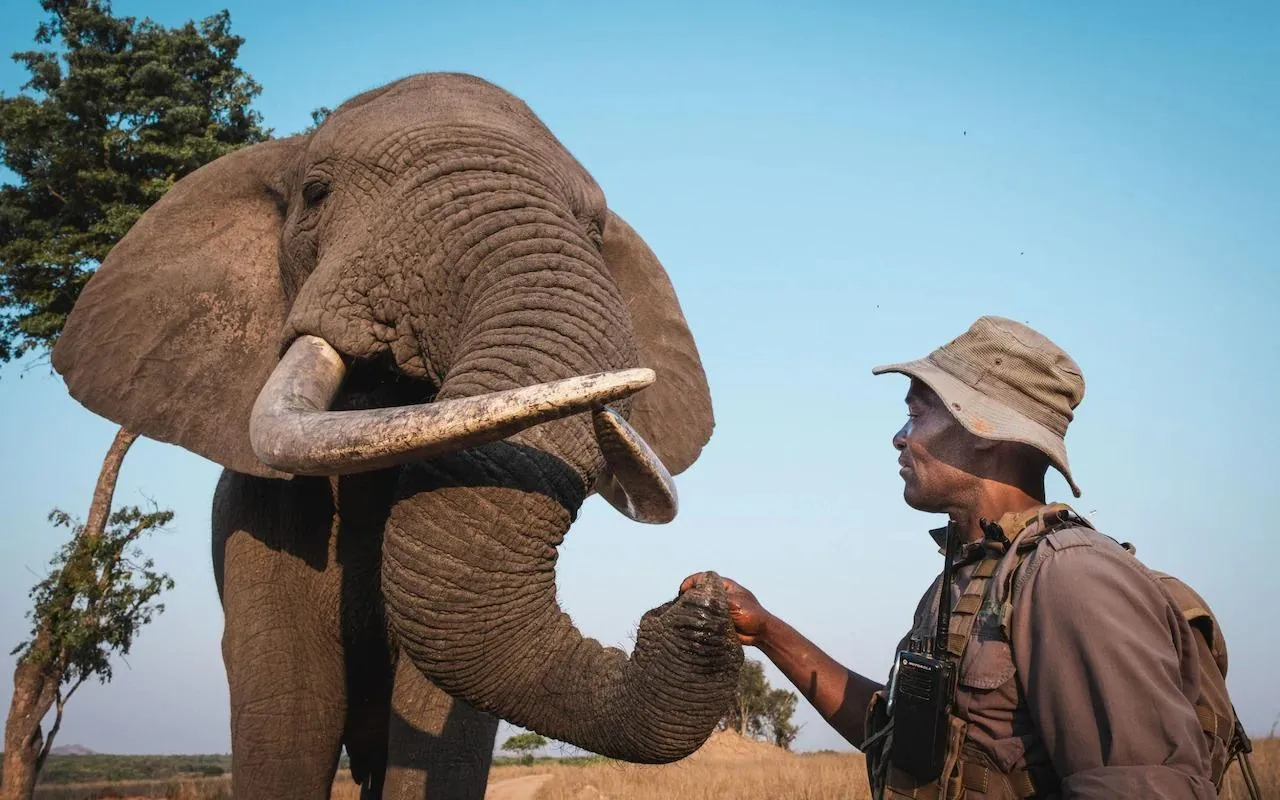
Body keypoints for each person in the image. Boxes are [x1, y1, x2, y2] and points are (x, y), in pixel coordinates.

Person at [680, 316, 1218, 799]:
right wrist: (766, 630)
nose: (899, 436)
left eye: (917, 414)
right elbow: (895, 738)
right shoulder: (967, 578)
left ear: (983, 430)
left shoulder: (1071, 577)